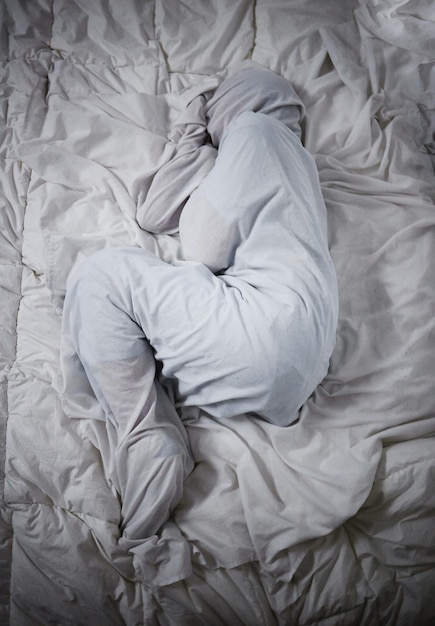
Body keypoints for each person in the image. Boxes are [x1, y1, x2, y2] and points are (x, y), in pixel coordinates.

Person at [60, 67, 338, 578]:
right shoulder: (297, 164)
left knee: (101, 275)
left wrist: (192, 131)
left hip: (262, 332)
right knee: (123, 284)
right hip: (302, 366)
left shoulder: (254, 134)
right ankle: (161, 425)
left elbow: (186, 233)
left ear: (236, 105)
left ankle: (146, 433)